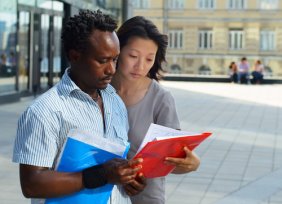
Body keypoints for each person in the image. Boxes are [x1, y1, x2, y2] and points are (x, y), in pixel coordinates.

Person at [12, 10, 146, 204]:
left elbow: (116, 166)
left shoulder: (115, 101)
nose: (112, 69)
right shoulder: (45, 111)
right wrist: (101, 175)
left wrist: (129, 179)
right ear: (74, 56)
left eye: (115, 59)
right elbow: (32, 184)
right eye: (102, 60)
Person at [111, 16, 200, 204]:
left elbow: (170, 158)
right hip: (100, 194)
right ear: (117, 51)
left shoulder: (161, 99)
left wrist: (189, 164)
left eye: (149, 59)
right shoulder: (98, 90)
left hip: (145, 197)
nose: (140, 66)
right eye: (133, 56)